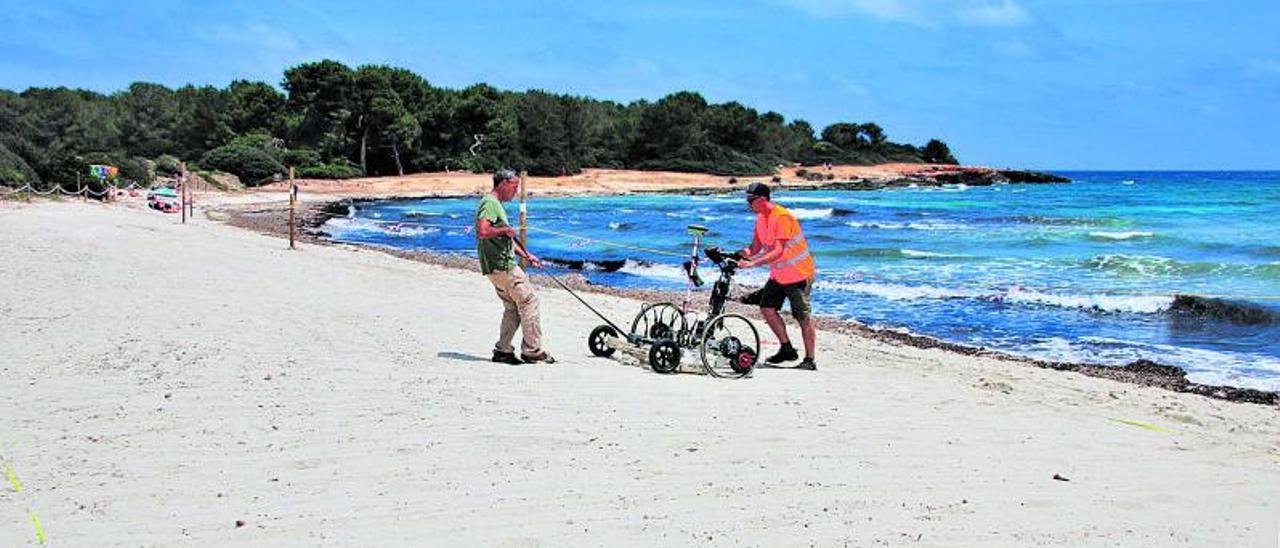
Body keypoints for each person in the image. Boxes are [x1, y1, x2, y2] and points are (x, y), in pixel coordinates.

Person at [474, 169, 555, 365]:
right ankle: (532, 351)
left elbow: (506, 238)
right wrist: (504, 229)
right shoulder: (490, 203)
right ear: (503, 184)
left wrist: (527, 255)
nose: (516, 191)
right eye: (514, 186)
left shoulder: (495, 204)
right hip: (504, 267)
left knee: (513, 308)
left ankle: (503, 350)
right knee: (529, 302)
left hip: (494, 267)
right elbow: (483, 231)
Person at [737, 182, 818, 370]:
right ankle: (787, 348)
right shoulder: (760, 218)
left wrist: (753, 264)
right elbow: (755, 248)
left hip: (798, 275)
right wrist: (734, 254)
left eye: (751, 200)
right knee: (767, 308)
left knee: (803, 317)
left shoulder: (781, 217)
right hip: (778, 275)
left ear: (762, 199)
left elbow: (778, 251)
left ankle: (809, 360)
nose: (748, 204)